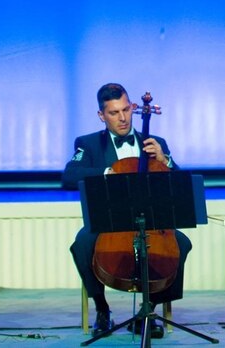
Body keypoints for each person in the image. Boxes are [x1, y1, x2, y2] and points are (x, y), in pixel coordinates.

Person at [61, 83, 192, 339]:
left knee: (182, 243)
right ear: (102, 115)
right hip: (108, 221)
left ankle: (149, 311)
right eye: (113, 113)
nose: (122, 118)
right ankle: (102, 309)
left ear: (133, 108)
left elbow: (179, 182)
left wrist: (165, 161)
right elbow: (69, 175)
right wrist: (108, 173)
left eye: (126, 110)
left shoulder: (155, 142)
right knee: (82, 245)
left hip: (151, 221)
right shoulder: (88, 144)